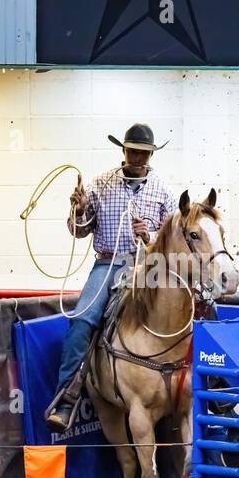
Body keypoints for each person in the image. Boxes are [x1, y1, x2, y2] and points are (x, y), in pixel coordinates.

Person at [45, 124, 176, 432]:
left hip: (150, 265)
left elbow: (172, 240)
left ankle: (197, 386)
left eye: (144, 153)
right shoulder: (100, 185)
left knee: (179, 312)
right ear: (124, 151)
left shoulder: (164, 192)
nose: (138, 158)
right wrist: (77, 210)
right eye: (133, 151)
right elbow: (79, 231)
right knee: (82, 321)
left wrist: (152, 235)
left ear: (150, 154)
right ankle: (65, 399)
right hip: (109, 264)